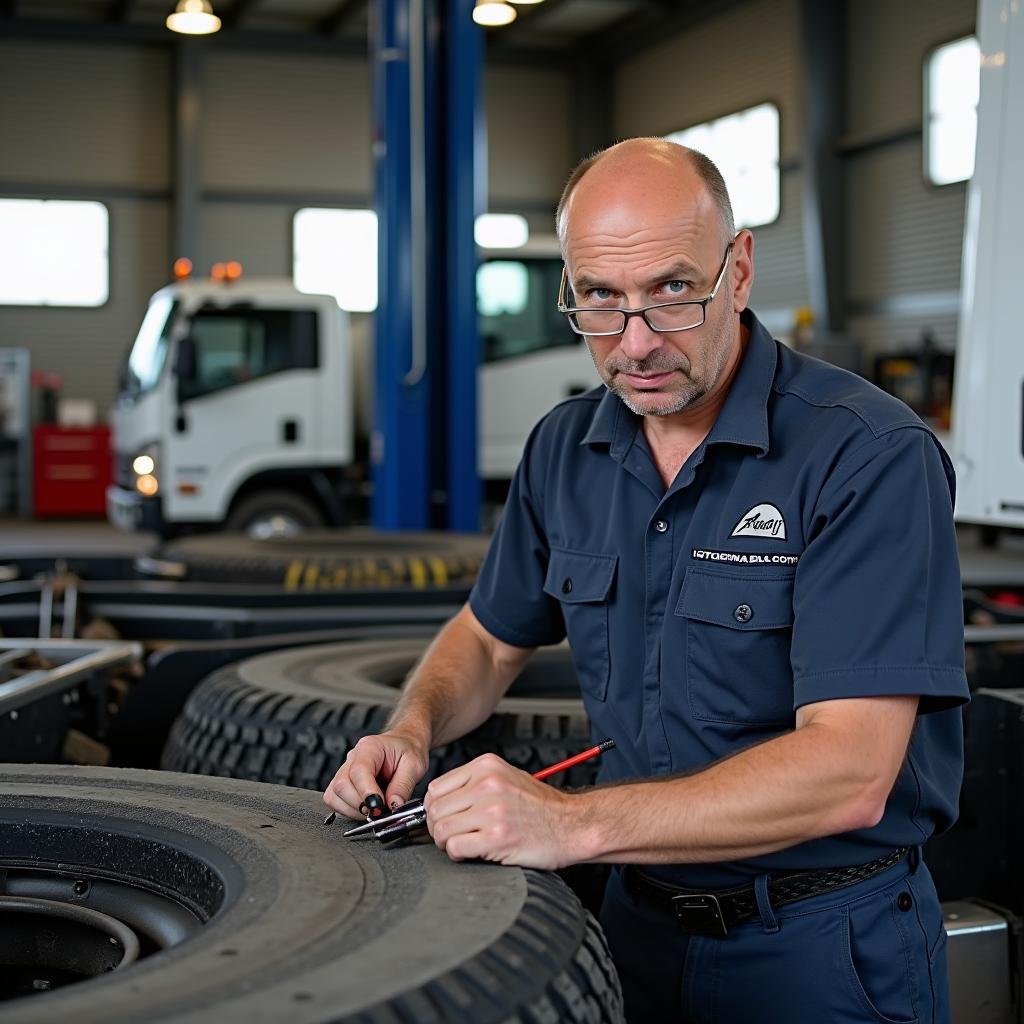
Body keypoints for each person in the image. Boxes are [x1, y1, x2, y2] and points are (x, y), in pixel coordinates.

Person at [324, 138, 969, 1023]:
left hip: (821, 947)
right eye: (600, 299)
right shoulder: (564, 449)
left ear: (738, 270)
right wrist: (413, 725)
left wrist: (572, 824)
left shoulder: (867, 457)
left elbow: (851, 770)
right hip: (632, 935)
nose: (634, 344)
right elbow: (487, 636)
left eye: (672, 291)